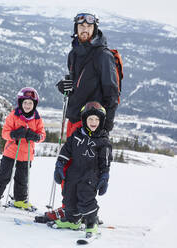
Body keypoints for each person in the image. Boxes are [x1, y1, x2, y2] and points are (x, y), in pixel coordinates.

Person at [36, 11, 119, 223]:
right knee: (69, 166)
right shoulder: (74, 53)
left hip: (92, 124)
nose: (84, 29)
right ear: (76, 29)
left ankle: (81, 211)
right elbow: (76, 84)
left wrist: (104, 127)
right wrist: (64, 86)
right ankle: (70, 209)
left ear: (95, 29)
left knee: (85, 171)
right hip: (74, 118)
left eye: (89, 27)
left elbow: (112, 93)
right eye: (81, 26)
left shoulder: (103, 56)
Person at [0, 87, 46, 209]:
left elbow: (42, 135)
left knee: (22, 179)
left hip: (27, 154)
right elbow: (4, 133)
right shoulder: (14, 115)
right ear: (20, 103)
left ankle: (20, 200)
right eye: (25, 103)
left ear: (34, 104)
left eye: (30, 103)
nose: (27, 105)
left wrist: (36, 137)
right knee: (3, 175)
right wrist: (14, 134)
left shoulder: (37, 118)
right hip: (11, 152)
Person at [49, 101, 112, 237]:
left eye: (96, 119)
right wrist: (59, 166)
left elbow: (105, 162)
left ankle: (91, 222)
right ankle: (72, 220)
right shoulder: (76, 135)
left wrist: (105, 177)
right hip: (73, 173)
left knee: (86, 200)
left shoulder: (103, 141)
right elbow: (65, 151)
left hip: (90, 176)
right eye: (90, 119)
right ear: (84, 120)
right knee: (69, 197)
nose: (93, 122)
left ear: (101, 121)